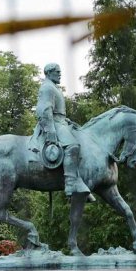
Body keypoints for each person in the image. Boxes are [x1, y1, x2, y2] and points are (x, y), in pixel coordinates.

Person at [29, 62, 95, 203]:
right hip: (53, 124)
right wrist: (50, 130)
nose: (60, 74)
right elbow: (44, 110)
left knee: (82, 139)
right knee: (73, 146)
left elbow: (56, 111)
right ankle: (71, 184)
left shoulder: (53, 87)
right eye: (57, 72)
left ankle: (80, 182)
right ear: (49, 73)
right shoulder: (47, 87)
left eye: (60, 72)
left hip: (61, 122)